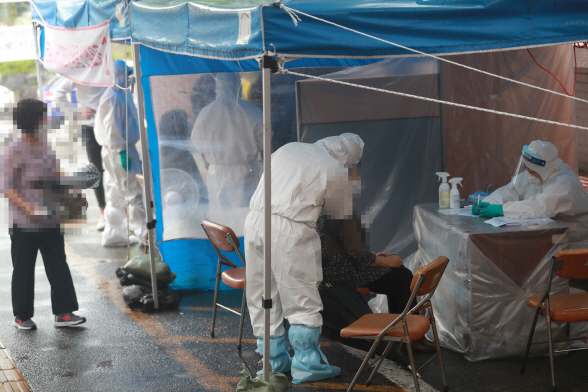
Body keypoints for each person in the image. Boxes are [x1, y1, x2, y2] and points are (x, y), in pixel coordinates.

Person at [245, 133, 363, 384]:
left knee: (263, 292)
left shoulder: (288, 148)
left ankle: (273, 360)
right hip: (291, 229)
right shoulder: (334, 169)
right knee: (300, 294)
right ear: (348, 157)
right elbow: (339, 221)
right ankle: (306, 363)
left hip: (255, 220)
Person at [2, 98, 86, 330]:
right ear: (34, 120)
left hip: (50, 217)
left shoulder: (45, 144)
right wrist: (28, 208)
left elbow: (57, 173)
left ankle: (64, 312)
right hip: (24, 223)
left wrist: (73, 185)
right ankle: (22, 316)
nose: (46, 120)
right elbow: (6, 187)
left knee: (58, 263)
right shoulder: (13, 150)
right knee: (24, 268)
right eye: (43, 116)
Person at [473, 140, 588, 249]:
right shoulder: (537, 173)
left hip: (575, 244)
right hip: (551, 237)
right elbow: (511, 190)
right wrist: (488, 202)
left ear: (544, 169)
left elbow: (539, 207)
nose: (528, 175)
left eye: (532, 171)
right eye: (527, 169)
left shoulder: (564, 183)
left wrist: (501, 209)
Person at [190, 73, 262, 214]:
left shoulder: (206, 113)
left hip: (218, 173)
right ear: (238, 87)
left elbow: (197, 143)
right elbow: (263, 141)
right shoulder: (252, 111)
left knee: (222, 217)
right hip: (245, 171)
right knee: (245, 214)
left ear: (217, 86)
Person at [94, 60, 146, 247]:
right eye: (126, 73)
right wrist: (122, 152)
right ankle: (143, 235)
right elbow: (112, 130)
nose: (129, 77)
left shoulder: (118, 93)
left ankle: (113, 234)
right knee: (134, 194)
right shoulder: (114, 97)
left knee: (115, 193)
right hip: (120, 152)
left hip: (117, 151)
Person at [53, 77, 107, 231]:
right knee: (97, 171)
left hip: (111, 123)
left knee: (117, 169)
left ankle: (123, 214)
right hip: (90, 126)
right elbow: (59, 92)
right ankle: (104, 214)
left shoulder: (109, 66)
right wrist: (76, 112)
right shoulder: (82, 70)